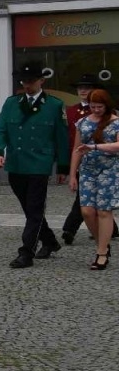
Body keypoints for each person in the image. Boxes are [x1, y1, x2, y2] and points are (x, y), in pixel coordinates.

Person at [0, 64, 70, 268]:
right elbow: (0, 129)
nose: (26, 85)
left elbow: (62, 138)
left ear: (41, 81)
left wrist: (63, 166)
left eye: (31, 81)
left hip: (39, 165)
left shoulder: (54, 105)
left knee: (34, 209)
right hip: (16, 163)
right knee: (29, 209)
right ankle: (51, 241)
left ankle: (26, 252)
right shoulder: (11, 103)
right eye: (24, 82)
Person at [70, 88, 119, 271]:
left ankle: (101, 253)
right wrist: (73, 175)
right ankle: (103, 244)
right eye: (93, 106)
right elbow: (77, 150)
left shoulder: (116, 123)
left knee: (104, 212)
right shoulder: (82, 122)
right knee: (87, 212)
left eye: (99, 106)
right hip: (88, 171)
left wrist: (95, 147)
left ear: (107, 105)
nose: (96, 109)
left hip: (110, 171)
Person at [62, 74, 98, 245]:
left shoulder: (100, 110)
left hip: (97, 159)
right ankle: (112, 228)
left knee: (84, 197)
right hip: (76, 158)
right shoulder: (70, 111)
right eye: (80, 87)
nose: (83, 90)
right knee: (87, 197)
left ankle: (69, 228)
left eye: (87, 87)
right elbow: (65, 138)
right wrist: (64, 166)